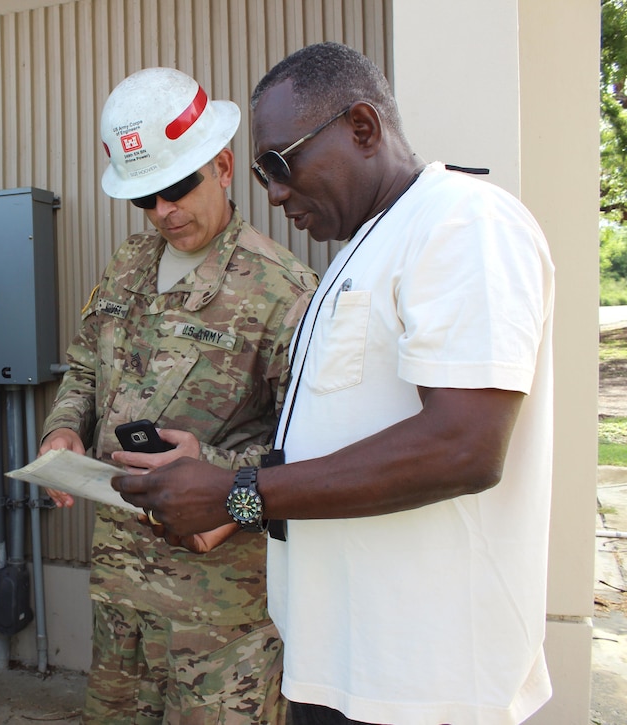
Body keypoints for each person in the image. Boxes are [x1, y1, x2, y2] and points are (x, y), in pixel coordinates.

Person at [112, 42, 556, 725]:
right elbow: (338, 435)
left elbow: (464, 444)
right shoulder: (362, 249)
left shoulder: (462, 222)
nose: (273, 192)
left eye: (279, 164)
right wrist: (218, 480)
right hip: (344, 667)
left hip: (423, 685)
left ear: (362, 127)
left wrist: (237, 495)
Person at [39, 67, 317, 724]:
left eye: (176, 188)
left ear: (222, 165)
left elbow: (310, 448)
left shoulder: (283, 290)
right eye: (145, 198)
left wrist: (213, 468)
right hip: (119, 592)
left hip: (219, 616)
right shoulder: (128, 265)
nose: (163, 211)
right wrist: (62, 430)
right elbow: (84, 366)